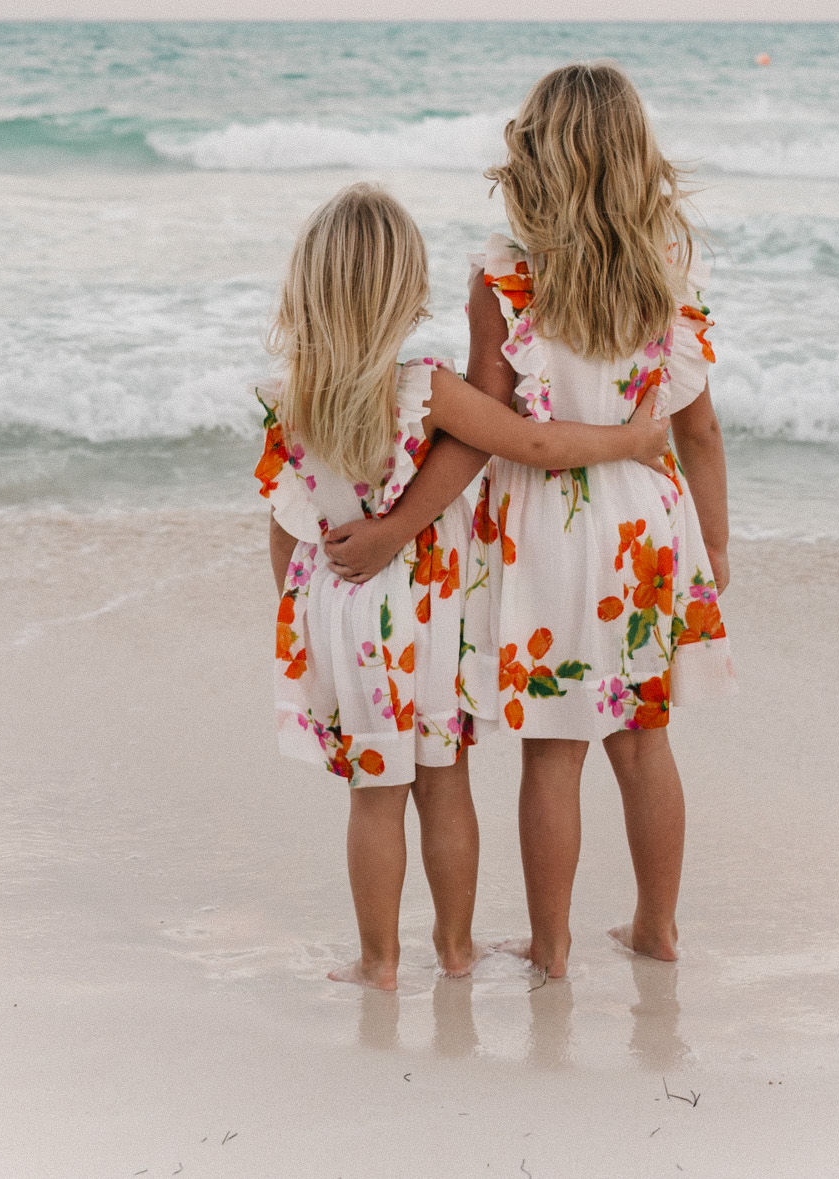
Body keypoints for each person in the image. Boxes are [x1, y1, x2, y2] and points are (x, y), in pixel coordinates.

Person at [324, 67, 734, 979]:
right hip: (647, 526)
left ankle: (552, 950)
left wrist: (396, 529)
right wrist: (717, 542)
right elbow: (699, 427)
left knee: (555, 750)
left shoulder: (504, 279)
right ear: (636, 160)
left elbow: (479, 437)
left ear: (535, 158)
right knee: (643, 739)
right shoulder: (671, 271)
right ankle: (657, 927)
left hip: (548, 534)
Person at [258, 181, 671, 992]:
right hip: (432, 613)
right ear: (408, 294)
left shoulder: (288, 399)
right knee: (445, 786)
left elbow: (287, 525)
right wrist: (635, 438)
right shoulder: (429, 389)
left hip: (344, 615)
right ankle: (454, 948)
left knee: (375, 797)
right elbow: (533, 441)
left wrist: (305, 622)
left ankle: (378, 962)